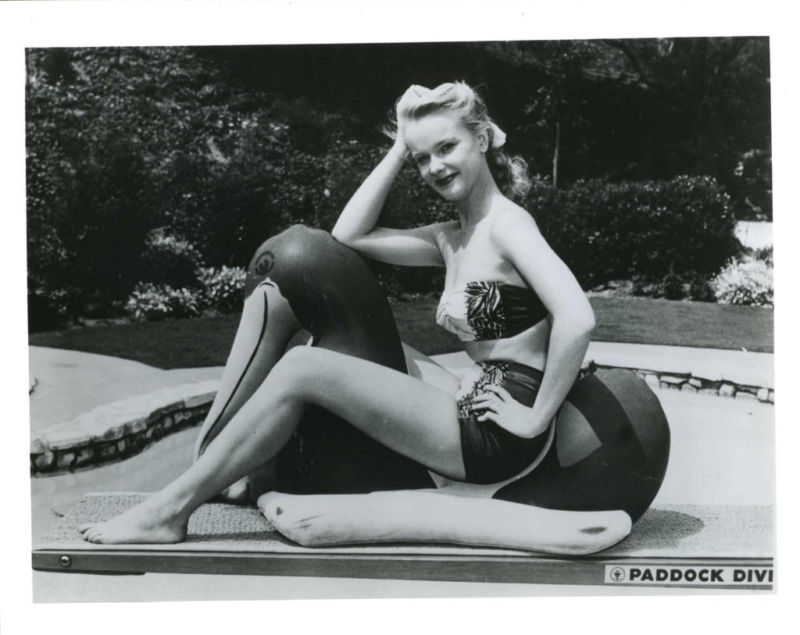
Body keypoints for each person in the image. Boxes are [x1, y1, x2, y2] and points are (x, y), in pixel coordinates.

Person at [79, 82, 623, 549]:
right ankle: (235, 469)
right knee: (324, 351)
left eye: (447, 147)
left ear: (481, 140)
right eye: (423, 158)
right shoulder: (453, 237)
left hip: (499, 435)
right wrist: (398, 147)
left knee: (303, 368)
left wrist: (533, 418)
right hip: (477, 399)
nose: (435, 166)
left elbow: (577, 318)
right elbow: (349, 234)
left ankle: (169, 511)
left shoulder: (508, 225)